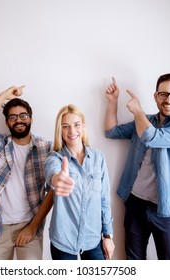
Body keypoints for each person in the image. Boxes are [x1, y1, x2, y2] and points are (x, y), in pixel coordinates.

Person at [104, 73, 170, 260]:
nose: (169, 99)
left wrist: (137, 111)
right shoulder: (146, 121)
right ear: (155, 96)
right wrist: (113, 102)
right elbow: (111, 132)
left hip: (167, 209)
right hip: (135, 205)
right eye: (164, 94)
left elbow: (152, 137)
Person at [0, 85, 53, 260]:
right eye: (12, 117)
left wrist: (32, 227)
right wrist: (3, 95)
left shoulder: (46, 148)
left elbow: (52, 192)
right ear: (7, 122)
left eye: (23, 115)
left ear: (31, 119)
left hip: (29, 225)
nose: (18, 120)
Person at [44, 104, 115, 260]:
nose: (72, 131)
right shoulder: (54, 158)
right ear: (60, 130)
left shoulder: (98, 157)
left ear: (83, 127)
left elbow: (104, 199)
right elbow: (52, 172)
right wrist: (57, 179)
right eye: (65, 126)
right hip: (63, 240)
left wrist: (108, 236)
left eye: (76, 125)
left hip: (93, 239)